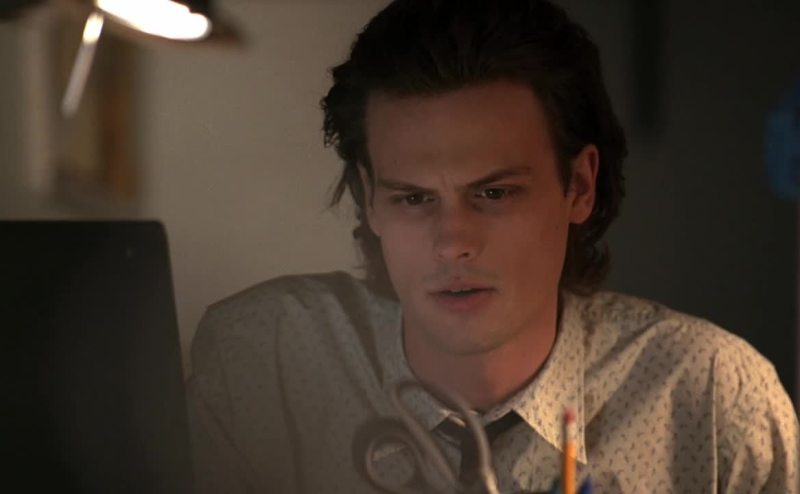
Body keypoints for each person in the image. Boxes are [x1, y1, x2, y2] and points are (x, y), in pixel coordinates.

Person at [186, 1, 799, 492]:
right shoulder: (261, 364)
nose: (453, 243)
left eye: (495, 193)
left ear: (579, 186)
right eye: (414, 198)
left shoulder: (712, 400)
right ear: (369, 198)